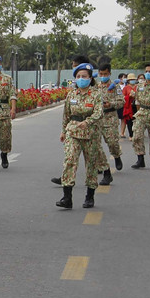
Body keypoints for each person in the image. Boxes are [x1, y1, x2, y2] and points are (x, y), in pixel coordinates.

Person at [55, 63, 104, 210]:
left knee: (91, 164)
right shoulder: (71, 94)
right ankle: (67, 197)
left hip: (91, 134)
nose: (81, 79)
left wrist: (88, 122)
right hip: (73, 132)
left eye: (84, 76)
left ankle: (90, 196)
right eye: (78, 76)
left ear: (90, 78)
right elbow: (66, 114)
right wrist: (63, 131)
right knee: (69, 160)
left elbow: (98, 113)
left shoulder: (96, 94)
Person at [96, 63, 124, 183]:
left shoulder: (115, 86)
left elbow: (121, 101)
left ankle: (116, 156)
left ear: (109, 74)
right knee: (96, 145)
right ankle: (100, 165)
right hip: (97, 118)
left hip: (110, 117)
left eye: (105, 74)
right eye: (101, 74)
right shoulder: (95, 87)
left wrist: (110, 104)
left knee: (112, 142)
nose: (103, 76)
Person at [121, 74, 137, 138]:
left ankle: (136, 134)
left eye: (133, 80)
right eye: (131, 80)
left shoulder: (137, 87)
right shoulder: (126, 88)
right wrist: (129, 96)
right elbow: (122, 97)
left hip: (137, 105)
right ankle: (131, 135)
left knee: (136, 120)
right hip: (129, 106)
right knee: (129, 121)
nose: (132, 81)